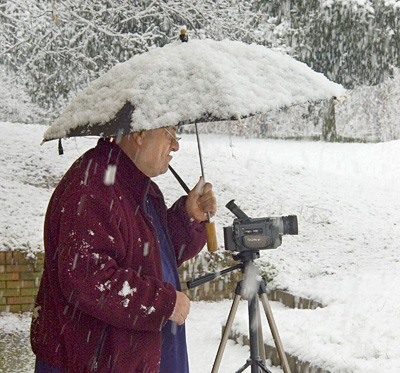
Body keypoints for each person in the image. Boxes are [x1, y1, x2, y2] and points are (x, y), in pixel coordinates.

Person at [31, 125, 217, 373]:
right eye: (170, 136)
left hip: (135, 356)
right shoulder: (92, 187)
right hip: (95, 362)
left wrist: (188, 218)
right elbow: (89, 279)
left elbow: (148, 254)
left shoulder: (140, 186)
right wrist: (162, 303)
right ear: (139, 134)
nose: (176, 146)